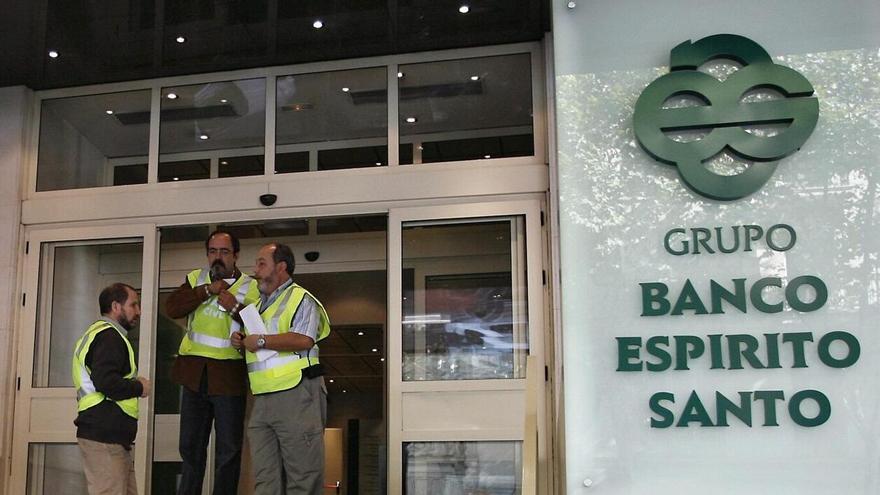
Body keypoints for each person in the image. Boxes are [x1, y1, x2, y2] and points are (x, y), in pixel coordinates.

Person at [231, 242, 331, 495]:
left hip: (296, 394)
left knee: (303, 477)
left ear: (281, 267)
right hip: (263, 399)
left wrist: (262, 340)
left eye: (261, 263)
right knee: (265, 481)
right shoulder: (260, 306)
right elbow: (263, 347)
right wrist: (244, 342)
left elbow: (304, 339)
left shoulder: (301, 298)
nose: (255, 270)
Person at [164, 230, 259, 495]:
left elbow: (260, 327)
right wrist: (207, 290)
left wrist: (234, 308)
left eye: (224, 251)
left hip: (229, 377)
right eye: (213, 251)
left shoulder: (250, 287)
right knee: (191, 447)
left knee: (229, 450)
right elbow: (172, 307)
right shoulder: (197, 278)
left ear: (236, 255)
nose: (218, 257)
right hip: (194, 374)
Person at [72, 283, 151, 495]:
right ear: (116, 306)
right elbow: (107, 382)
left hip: (109, 436)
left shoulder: (101, 335)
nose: (138, 311)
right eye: (133, 305)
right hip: (105, 436)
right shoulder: (109, 337)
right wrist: (139, 386)